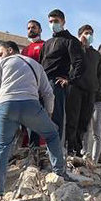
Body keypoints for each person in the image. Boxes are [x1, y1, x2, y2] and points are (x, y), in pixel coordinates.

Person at [0, 40, 66, 196]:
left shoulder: (1, 64)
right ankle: (60, 174)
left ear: (10, 50)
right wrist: (48, 116)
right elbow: (48, 93)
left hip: (5, 106)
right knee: (52, 134)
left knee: (1, 148)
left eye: (1, 53)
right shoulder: (36, 65)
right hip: (30, 105)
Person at [40, 9, 85, 152]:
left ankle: (55, 154)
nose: (53, 24)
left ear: (63, 22)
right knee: (38, 118)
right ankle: (37, 151)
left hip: (56, 84)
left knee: (55, 119)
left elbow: (80, 63)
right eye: (51, 22)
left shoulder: (70, 41)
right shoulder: (47, 43)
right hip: (42, 83)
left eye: (56, 21)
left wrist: (69, 80)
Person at [66, 24, 101, 155]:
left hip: (90, 91)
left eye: (91, 33)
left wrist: (97, 86)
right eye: (86, 33)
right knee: (72, 120)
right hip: (75, 88)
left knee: (84, 121)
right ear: (79, 35)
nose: (89, 36)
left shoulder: (95, 54)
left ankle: (77, 148)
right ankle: (69, 148)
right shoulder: (73, 48)